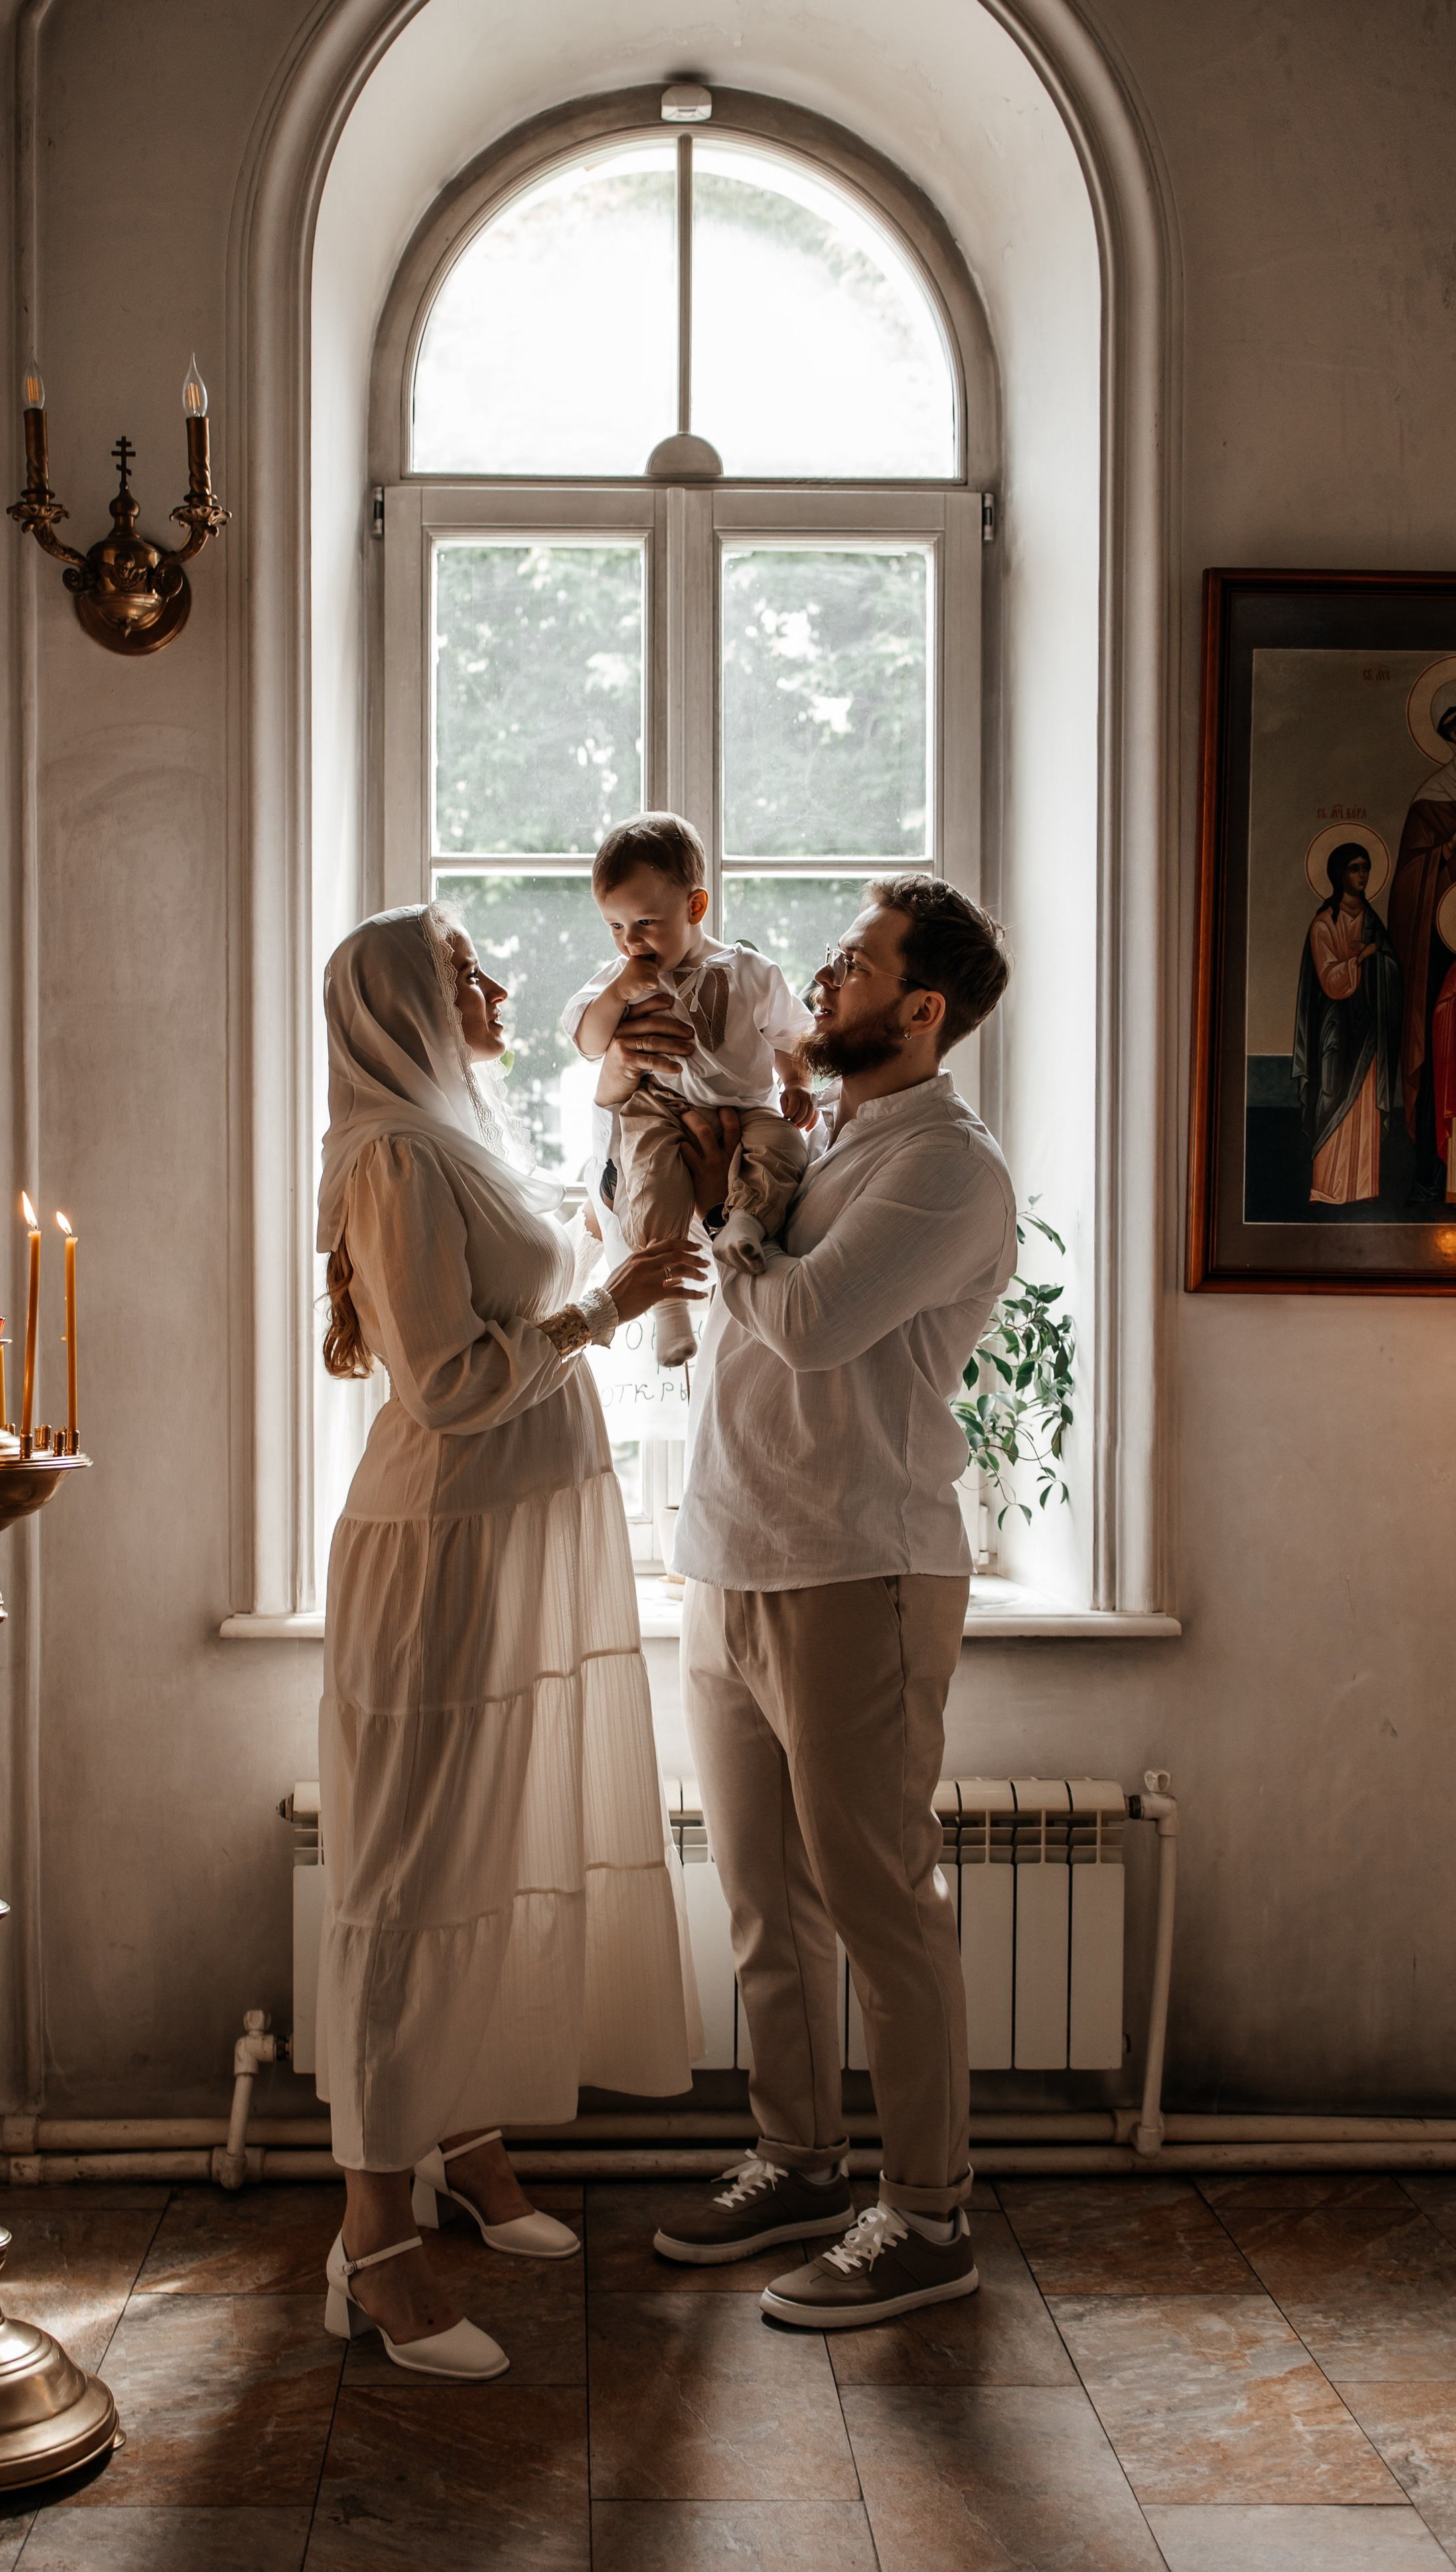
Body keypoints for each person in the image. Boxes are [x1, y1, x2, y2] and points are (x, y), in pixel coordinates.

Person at [607, 874, 1014, 2329]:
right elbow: (736, 1298)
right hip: (731, 1554)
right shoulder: (822, 1139)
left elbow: (810, 1324)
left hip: (859, 1568)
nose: (821, 978)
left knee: (879, 1903)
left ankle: (928, 2214)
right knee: (765, 1905)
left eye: (853, 962)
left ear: (922, 1009)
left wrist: (734, 1209)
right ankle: (796, 2162)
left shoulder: (947, 1169)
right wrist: (736, 1172)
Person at [317, 902, 705, 2380]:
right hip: (447, 1545)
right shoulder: (396, 1157)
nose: (492, 983)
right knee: (412, 1880)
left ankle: (468, 2148)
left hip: (513, 1533)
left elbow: (517, 1288)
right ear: (402, 1007)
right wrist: (602, 1309)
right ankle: (373, 2243)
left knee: (491, 1847)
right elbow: (443, 1382)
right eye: (459, 969)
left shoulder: (457, 1135)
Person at [563, 812, 814, 1368]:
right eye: (615, 926)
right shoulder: (619, 977)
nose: (631, 941)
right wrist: (617, 994)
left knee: (786, 1147)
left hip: (745, 1109)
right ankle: (668, 1303)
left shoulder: (751, 971)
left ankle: (745, 1224)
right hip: (658, 1107)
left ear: (695, 907)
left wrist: (796, 1081)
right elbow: (587, 1040)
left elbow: (793, 1034)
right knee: (650, 1177)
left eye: (645, 922)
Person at [1293, 841, 1402, 1206]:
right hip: (1335, 1027)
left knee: (1365, 1102)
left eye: (1366, 868)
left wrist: (1378, 957)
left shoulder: (1372, 922)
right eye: (1355, 868)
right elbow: (1329, 980)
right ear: (1340, 874)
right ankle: (1326, 1187)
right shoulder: (1323, 924)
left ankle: (1362, 1187)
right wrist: (1361, 959)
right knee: (1331, 1095)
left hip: (1368, 1027)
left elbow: (1392, 969)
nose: (1363, 875)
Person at [1388, 683, 1456, 1200]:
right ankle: (1435, 1172)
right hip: (1442, 947)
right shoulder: (1431, 800)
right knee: (1441, 1050)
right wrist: (1445, 853)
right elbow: (1411, 884)